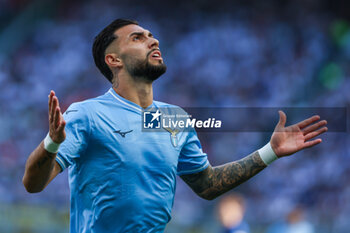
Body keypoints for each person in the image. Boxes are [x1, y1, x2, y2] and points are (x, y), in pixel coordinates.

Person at [22, 19, 328, 233]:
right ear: (113, 59)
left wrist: (269, 152)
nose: (153, 40)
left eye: (151, 35)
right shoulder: (87, 114)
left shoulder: (173, 119)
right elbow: (33, 184)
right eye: (137, 38)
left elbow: (207, 185)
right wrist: (52, 142)